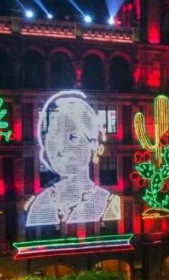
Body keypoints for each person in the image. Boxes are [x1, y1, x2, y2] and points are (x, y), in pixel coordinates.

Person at [25, 91, 120, 226]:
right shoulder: (38, 205)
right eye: (54, 138)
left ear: (92, 144)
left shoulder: (109, 202)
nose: (62, 148)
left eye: (72, 137)